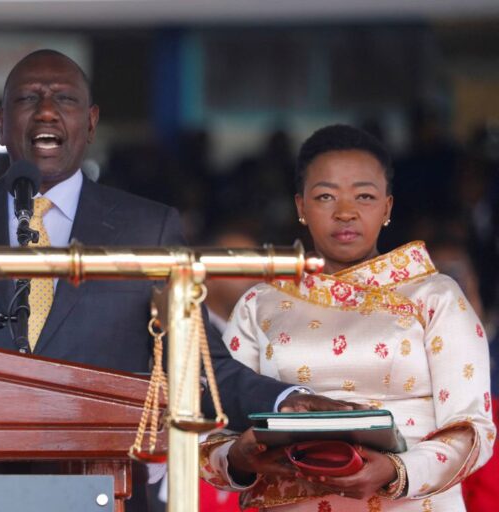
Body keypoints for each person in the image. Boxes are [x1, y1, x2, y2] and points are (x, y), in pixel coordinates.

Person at [0, 50, 351, 510]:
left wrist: (287, 402)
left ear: (92, 121)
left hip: (105, 490)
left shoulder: (148, 227)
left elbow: (198, 364)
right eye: (28, 98)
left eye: (65, 98)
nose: (47, 111)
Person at [200, 125, 495, 511]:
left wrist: (395, 470)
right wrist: (237, 459)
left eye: (365, 196)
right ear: (300, 206)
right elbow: (213, 431)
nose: (345, 212)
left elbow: (473, 430)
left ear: (387, 207)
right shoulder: (261, 304)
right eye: (325, 196)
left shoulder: (435, 296)